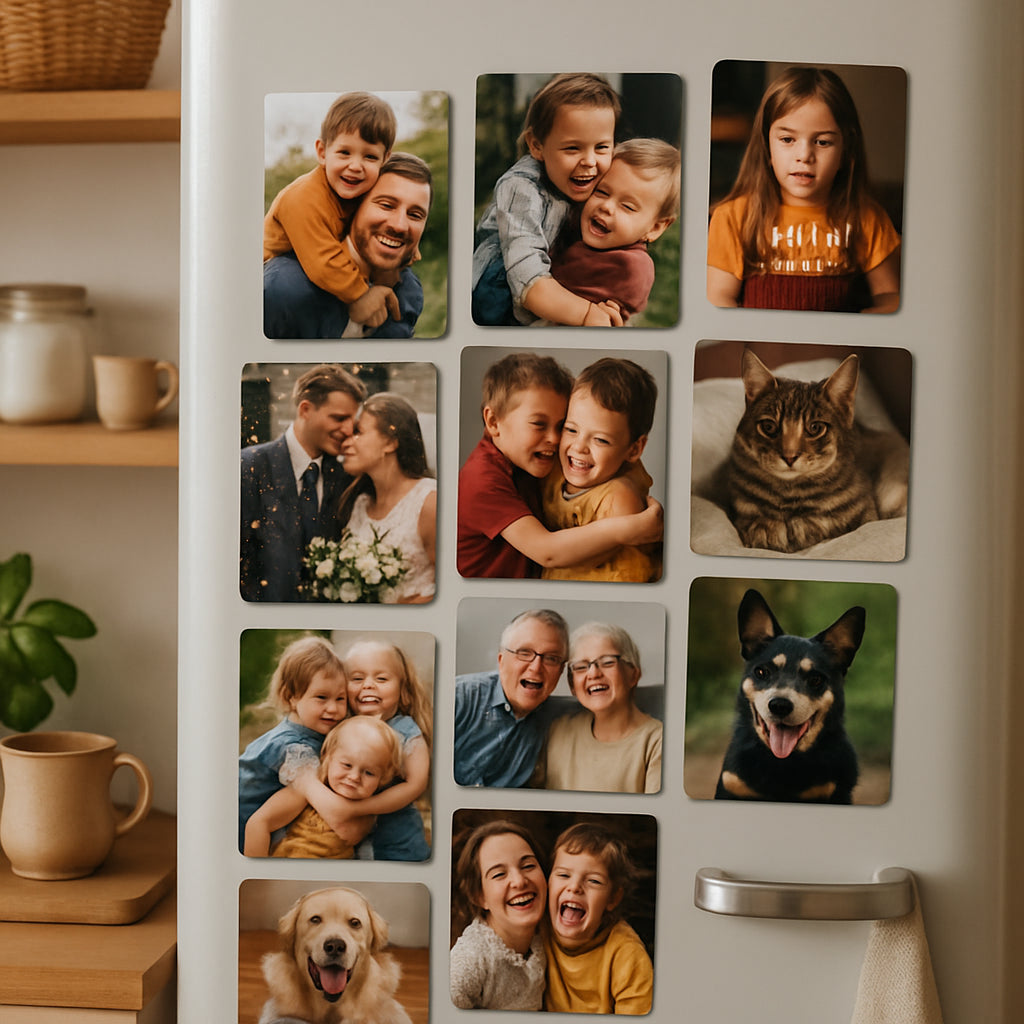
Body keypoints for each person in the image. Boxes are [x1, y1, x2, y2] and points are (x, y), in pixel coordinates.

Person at [707, 66, 900, 313]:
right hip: (759, 349)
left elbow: (890, 298)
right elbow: (719, 300)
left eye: (822, 142)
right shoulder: (733, 217)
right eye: (788, 140)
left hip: (836, 351)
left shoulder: (867, 218)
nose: (804, 156)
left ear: (846, 150)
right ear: (767, 147)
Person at [456, 352, 663, 580]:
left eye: (561, 425)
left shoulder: (531, 456)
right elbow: (548, 552)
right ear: (494, 422)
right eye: (539, 424)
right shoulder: (480, 481)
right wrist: (628, 528)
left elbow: (612, 437)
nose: (555, 439)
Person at [472, 73, 626, 327]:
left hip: (553, 279)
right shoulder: (520, 188)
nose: (589, 161)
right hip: (502, 297)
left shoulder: (596, 177)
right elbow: (526, 275)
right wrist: (585, 314)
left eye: (601, 147)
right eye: (572, 148)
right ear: (536, 145)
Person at [263, 92, 403, 336]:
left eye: (369, 156)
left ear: (385, 159)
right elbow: (322, 262)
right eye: (344, 153)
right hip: (284, 263)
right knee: (291, 286)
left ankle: (383, 341)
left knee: (408, 285)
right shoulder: (303, 197)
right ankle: (321, 337)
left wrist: (400, 260)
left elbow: (390, 224)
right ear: (322, 152)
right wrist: (362, 295)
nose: (355, 166)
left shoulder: (368, 192)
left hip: (333, 265)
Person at [289, 639, 432, 861]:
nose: (368, 685)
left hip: (398, 846)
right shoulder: (340, 727)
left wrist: (356, 808)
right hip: (347, 849)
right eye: (357, 678)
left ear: (403, 691)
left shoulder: (404, 730)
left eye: (381, 678)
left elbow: (416, 784)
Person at [265, 152, 433, 338]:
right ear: (353, 206)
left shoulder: (408, 291)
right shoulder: (286, 288)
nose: (400, 225)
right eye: (386, 205)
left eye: (415, 215)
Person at [240, 363, 365, 602]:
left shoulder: (347, 477)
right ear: (305, 409)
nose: (349, 430)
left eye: (353, 420)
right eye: (339, 418)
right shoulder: (249, 467)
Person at [237, 636, 366, 853]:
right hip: (244, 831)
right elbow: (333, 811)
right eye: (321, 697)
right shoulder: (295, 750)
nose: (333, 709)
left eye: (340, 699)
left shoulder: (311, 729)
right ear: (292, 697)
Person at [540, 357, 660, 582]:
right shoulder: (554, 469)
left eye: (601, 440)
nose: (579, 447)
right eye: (571, 430)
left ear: (634, 449)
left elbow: (583, 556)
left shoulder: (619, 497)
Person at [546, 138, 680, 322]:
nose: (606, 206)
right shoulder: (574, 223)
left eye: (627, 206)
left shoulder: (631, 266)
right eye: (601, 192)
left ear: (655, 228)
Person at [242, 716, 402, 858]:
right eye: (346, 765)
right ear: (328, 757)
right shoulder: (306, 793)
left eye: (368, 773)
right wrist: (258, 874)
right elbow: (259, 823)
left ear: (383, 778)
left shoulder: (372, 811)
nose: (354, 777)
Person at [535, 624, 662, 794]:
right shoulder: (557, 731)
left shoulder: (657, 741)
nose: (593, 673)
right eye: (580, 667)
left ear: (633, 674)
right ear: (572, 685)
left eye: (607, 662)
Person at [335, 392, 436, 603]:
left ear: (390, 443)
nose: (346, 443)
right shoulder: (360, 504)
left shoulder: (429, 502)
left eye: (358, 432)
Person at [544, 822, 653, 1014]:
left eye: (594, 881)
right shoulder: (536, 930)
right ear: (548, 882)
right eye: (563, 875)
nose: (574, 887)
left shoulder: (627, 954)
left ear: (613, 898)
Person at [454, 609, 569, 788]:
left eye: (551, 658)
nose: (536, 667)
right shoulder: (458, 697)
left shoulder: (562, 717)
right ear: (501, 661)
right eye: (524, 653)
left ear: (561, 671)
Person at [449, 820, 548, 1010]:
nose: (519, 881)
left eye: (528, 866)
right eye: (499, 874)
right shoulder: (468, 961)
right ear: (479, 897)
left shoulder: (547, 936)